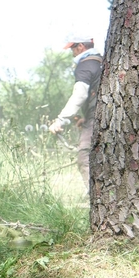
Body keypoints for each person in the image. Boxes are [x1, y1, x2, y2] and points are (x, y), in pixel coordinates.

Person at [49, 35, 103, 190]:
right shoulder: (102, 61)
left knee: (84, 157)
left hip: (95, 118)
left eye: (72, 48)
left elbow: (80, 95)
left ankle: (95, 201)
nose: (72, 52)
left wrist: (60, 120)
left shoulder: (85, 65)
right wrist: (84, 117)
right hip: (106, 117)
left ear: (80, 47)